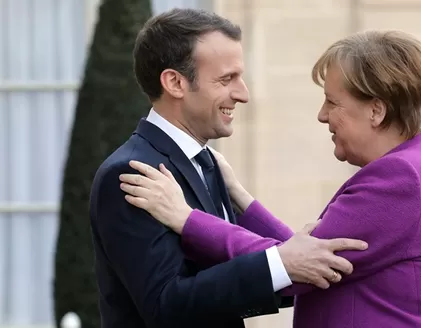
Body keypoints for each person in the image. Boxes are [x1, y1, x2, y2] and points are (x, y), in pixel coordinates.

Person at [119, 30, 421, 328]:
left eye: (332, 102)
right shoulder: (417, 167)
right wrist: (241, 199)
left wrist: (186, 219)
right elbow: (307, 258)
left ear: (376, 110)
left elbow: (296, 269)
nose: (322, 116)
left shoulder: (403, 178)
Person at [89, 8, 368, 328]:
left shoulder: (208, 163)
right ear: (175, 82)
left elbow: (236, 262)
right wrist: (279, 266)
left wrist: (284, 266)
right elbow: (165, 306)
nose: (243, 94)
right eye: (226, 79)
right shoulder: (134, 173)